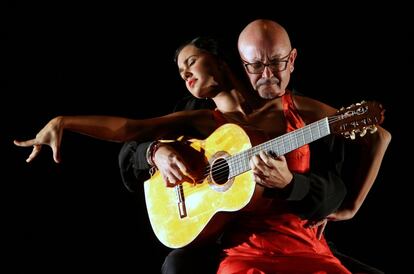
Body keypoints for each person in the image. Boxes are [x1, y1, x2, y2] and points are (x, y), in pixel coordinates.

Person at [119, 21, 391, 273]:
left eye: (277, 63)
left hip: (299, 237)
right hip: (233, 242)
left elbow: (337, 182)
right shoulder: (197, 114)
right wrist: (154, 152)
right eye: (256, 66)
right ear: (243, 64)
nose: (267, 74)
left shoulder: (301, 111)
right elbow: (132, 140)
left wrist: (345, 206)